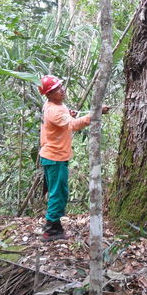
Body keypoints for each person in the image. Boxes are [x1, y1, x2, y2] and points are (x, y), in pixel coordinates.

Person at [38, 75, 109, 241]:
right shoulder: (54, 110)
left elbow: (65, 120)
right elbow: (73, 125)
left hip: (53, 156)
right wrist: (96, 113)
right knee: (58, 193)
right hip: (55, 157)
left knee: (58, 191)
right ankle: (51, 230)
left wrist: (68, 115)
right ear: (48, 94)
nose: (61, 90)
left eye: (60, 87)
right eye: (55, 89)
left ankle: (53, 225)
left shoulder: (53, 105)